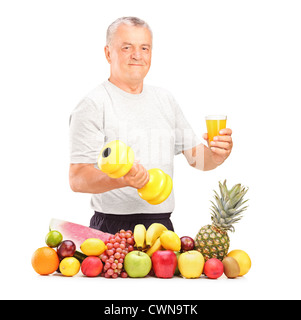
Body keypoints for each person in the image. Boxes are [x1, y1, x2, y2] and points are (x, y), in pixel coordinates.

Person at [69, 16, 233, 234]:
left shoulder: (164, 99)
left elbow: (198, 159)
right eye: (127, 47)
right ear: (108, 53)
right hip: (111, 228)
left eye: (144, 48)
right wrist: (122, 180)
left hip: (162, 227)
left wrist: (217, 156)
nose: (137, 55)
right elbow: (77, 178)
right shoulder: (93, 104)